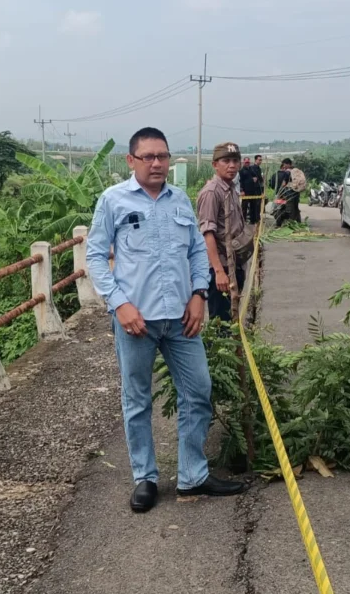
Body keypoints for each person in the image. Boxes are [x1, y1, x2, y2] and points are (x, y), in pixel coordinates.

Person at [86, 127, 246, 513]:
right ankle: (145, 477)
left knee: (198, 391)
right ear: (131, 161)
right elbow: (94, 257)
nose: (157, 163)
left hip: (180, 320)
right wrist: (119, 304)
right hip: (135, 322)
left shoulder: (181, 201)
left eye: (163, 156)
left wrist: (198, 295)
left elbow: (195, 251)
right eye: (148, 157)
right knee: (137, 399)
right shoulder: (113, 201)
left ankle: (193, 474)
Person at [196, 142, 252, 321]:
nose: (232, 165)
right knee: (220, 323)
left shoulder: (231, 190)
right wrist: (219, 271)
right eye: (226, 161)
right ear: (215, 164)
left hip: (234, 265)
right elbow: (207, 233)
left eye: (236, 161)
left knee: (232, 317)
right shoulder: (212, 192)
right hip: (221, 268)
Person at [238, 154, 264, 224]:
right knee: (244, 207)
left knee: (253, 206)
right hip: (245, 191)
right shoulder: (241, 171)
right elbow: (240, 181)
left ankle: (253, 221)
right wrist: (242, 190)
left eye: (248, 162)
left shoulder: (251, 169)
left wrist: (256, 178)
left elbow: (256, 176)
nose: (247, 164)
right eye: (246, 162)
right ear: (243, 162)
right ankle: (243, 221)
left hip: (253, 191)